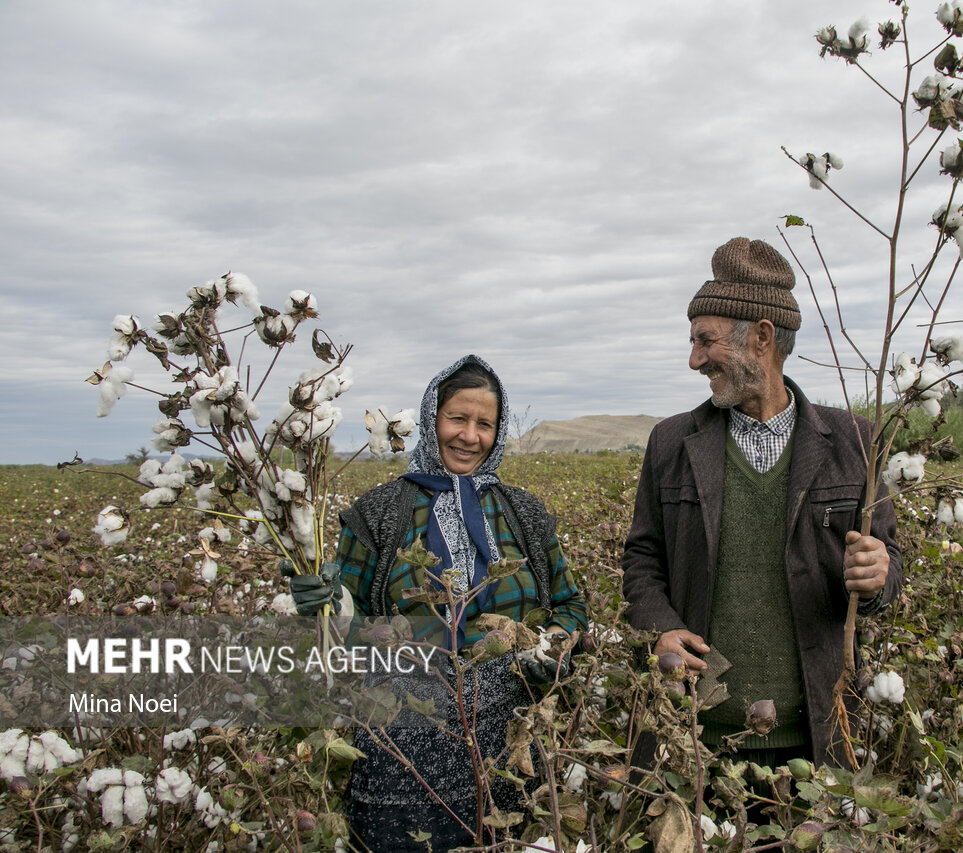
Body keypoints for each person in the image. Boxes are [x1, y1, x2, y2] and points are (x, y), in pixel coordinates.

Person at [288, 354, 589, 852]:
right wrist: (324, 607)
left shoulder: (525, 515)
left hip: (511, 744)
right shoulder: (380, 513)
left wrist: (547, 648)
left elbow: (570, 606)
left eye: (485, 424)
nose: (469, 436)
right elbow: (343, 626)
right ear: (431, 419)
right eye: (457, 418)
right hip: (399, 750)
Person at [621, 237, 903, 769]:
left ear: (762, 339)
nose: (694, 359)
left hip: (816, 738)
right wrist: (660, 626)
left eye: (705, 341)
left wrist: (878, 575)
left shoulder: (856, 443)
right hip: (696, 741)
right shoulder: (671, 443)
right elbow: (642, 560)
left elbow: (889, 572)